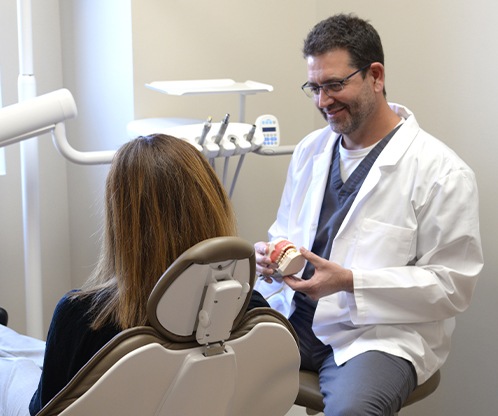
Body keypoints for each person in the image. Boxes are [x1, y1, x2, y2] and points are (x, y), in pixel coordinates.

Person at [254, 13, 483, 416]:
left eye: (335, 85)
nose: (323, 101)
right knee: (200, 365)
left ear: (375, 76)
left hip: (376, 336)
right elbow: (286, 230)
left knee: (353, 412)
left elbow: (453, 286)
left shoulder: (441, 171)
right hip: (293, 316)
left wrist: (350, 282)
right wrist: (271, 257)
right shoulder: (311, 150)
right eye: (315, 87)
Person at [0, 133, 268, 416]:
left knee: (12, 367)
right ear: (212, 203)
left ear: (121, 220)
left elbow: (43, 409)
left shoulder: (84, 318)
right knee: (26, 352)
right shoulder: (247, 310)